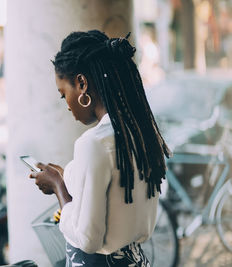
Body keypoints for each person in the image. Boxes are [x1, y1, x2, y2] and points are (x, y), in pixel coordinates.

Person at [29, 30, 171, 266]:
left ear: (82, 83)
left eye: (64, 94)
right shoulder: (141, 131)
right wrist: (68, 177)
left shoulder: (92, 144)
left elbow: (88, 239)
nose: (66, 105)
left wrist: (58, 187)